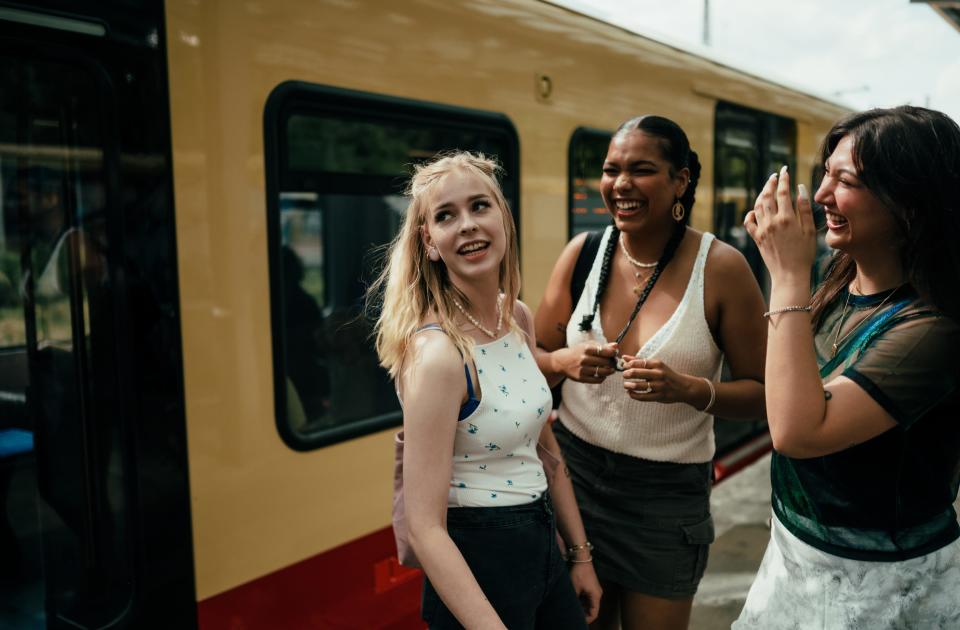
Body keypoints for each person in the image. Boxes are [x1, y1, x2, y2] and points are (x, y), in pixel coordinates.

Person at [534, 116, 767, 630]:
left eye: (641, 170)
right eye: (610, 169)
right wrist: (562, 363)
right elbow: (532, 359)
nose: (620, 185)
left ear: (680, 180)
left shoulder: (722, 268)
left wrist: (688, 389)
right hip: (574, 484)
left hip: (665, 501)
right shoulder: (583, 254)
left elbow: (765, 395)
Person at [735, 106, 960, 629]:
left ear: (910, 202)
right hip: (798, 561)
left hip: (886, 589)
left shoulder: (935, 328)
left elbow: (797, 430)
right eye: (825, 174)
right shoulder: (840, 279)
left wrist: (787, 275)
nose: (820, 196)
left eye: (847, 181)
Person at [370, 152, 602, 629]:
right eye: (446, 216)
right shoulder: (438, 357)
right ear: (429, 242)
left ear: (503, 219)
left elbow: (543, 445)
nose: (468, 225)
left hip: (542, 546)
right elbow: (426, 528)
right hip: (477, 559)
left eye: (480, 206)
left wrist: (578, 555)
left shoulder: (515, 317)